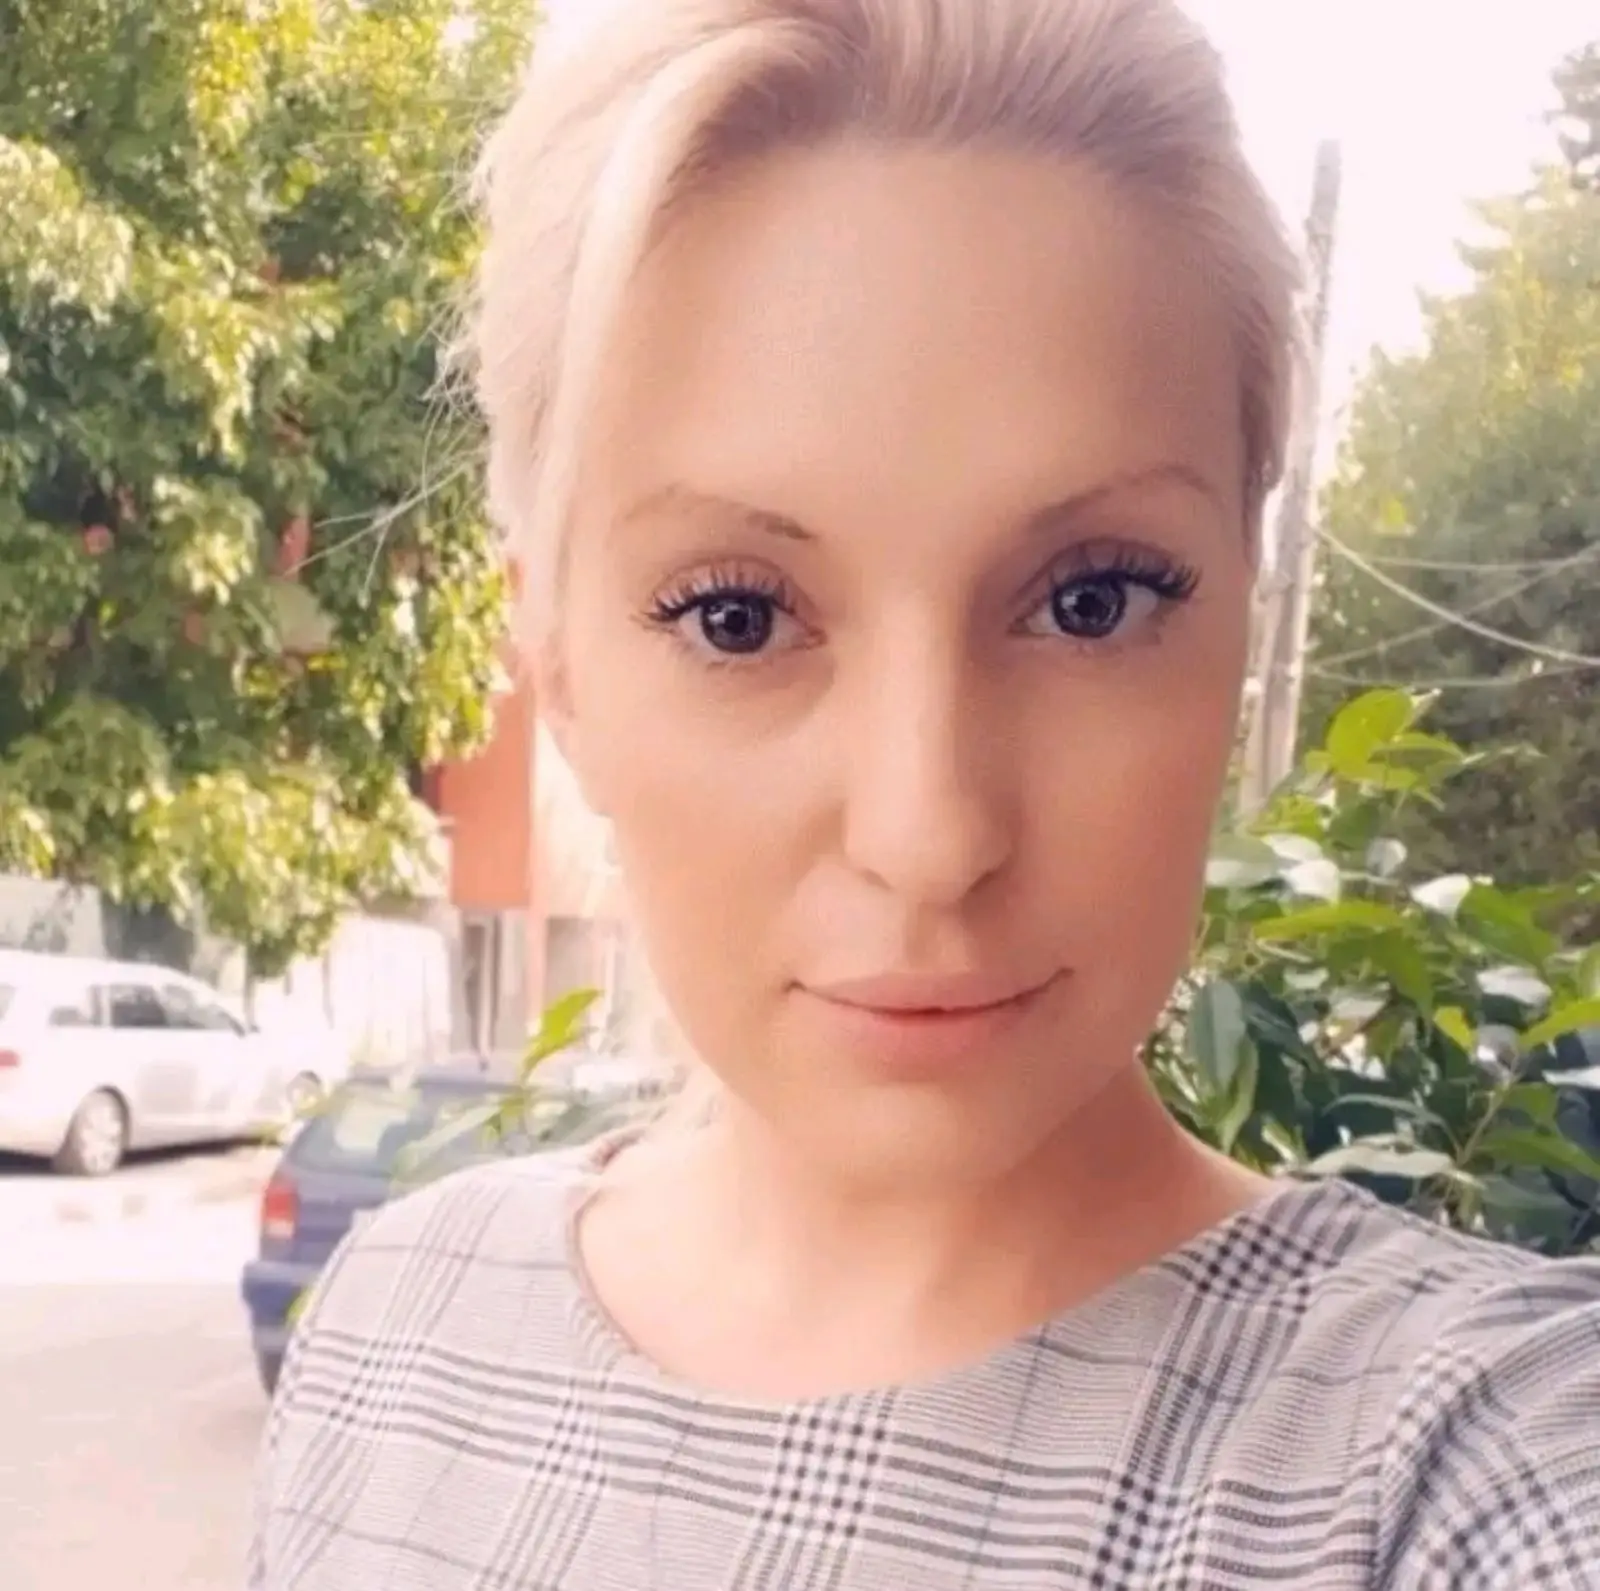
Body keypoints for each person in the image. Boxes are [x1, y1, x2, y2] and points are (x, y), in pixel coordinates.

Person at [248, 1, 1600, 1586]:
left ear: (1245, 609)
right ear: (555, 666)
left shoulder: (1466, 1467)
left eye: (1091, 599)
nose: (928, 832)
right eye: (736, 615)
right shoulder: (394, 1333)